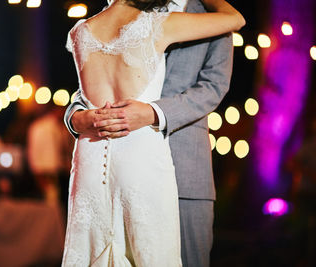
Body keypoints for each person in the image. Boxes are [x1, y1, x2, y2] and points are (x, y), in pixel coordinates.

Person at [62, 0, 244, 266]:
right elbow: (86, 92)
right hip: (112, 160)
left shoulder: (208, 17)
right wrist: (75, 118)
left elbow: (213, 87)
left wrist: (152, 113)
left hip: (185, 168)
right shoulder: (138, 14)